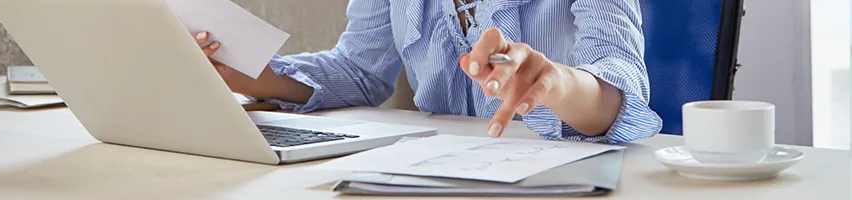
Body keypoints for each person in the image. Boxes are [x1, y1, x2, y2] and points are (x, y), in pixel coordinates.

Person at [194, 0, 662, 144]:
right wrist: (240, 73)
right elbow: (359, 69)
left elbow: (622, 83)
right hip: (435, 178)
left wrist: (557, 84)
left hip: (556, 181)